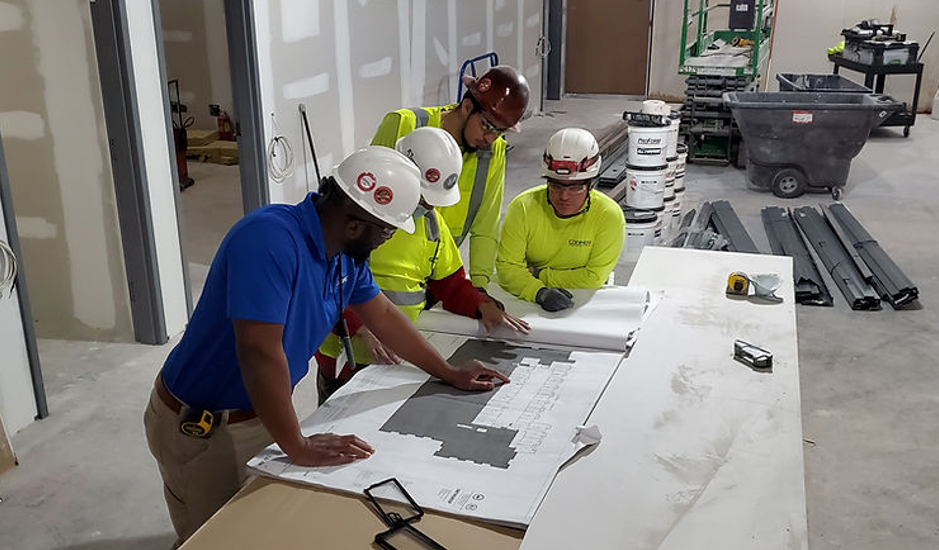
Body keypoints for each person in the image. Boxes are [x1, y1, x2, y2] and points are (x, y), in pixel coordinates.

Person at [144, 146, 509, 548]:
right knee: (212, 539)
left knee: (260, 530)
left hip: (260, 413)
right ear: (355, 225)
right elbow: (258, 353)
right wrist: (296, 445)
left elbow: (382, 314)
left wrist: (447, 371)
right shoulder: (268, 240)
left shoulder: (344, 255)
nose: (387, 241)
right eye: (387, 232)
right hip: (204, 430)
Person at [316, 128, 529, 401]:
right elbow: (329, 287)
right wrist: (359, 326)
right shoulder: (357, 226)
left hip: (398, 349)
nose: (427, 206)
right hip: (345, 351)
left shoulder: (430, 224)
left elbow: (448, 285)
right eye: (422, 198)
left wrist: (480, 305)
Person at [371, 65, 530, 290]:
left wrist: (479, 287)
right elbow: (365, 204)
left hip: (440, 276)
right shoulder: (404, 125)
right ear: (467, 106)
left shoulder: (493, 154)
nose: (490, 138)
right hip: (385, 274)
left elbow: (486, 227)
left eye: (500, 132)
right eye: (487, 126)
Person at [496, 128, 626, 312]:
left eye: (575, 188)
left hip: (584, 296)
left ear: (591, 184)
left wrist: (539, 274)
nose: (564, 196)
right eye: (556, 186)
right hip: (528, 294)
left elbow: (593, 277)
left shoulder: (609, 216)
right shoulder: (523, 207)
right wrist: (539, 293)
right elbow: (507, 267)